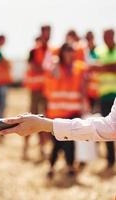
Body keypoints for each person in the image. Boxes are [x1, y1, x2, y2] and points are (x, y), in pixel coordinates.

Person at [43, 43, 88, 177]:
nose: (70, 53)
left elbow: (83, 88)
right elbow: (51, 73)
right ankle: (53, 165)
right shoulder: (55, 67)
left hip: (73, 111)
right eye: (67, 51)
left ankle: (69, 166)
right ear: (61, 53)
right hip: (56, 112)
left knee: (69, 141)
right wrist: (56, 61)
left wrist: (84, 104)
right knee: (57, 142)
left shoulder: (79, 68)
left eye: (72, 51)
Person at [23, 26, 52, 160]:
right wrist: (46, 68)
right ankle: (25, 148)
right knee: (31, 117)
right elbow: (33, 66)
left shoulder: (51, 51)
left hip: (46, 90)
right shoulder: (34, 50)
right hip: (35, 90)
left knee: (43, 120)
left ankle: (42, 148)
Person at [93, 29, 116, 170]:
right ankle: (110, 160)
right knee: (107, 130)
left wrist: (103, 67)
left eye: (108, 36)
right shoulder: (99, 51)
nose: (106, 38)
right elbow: (93, 68)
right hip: (104, 96)